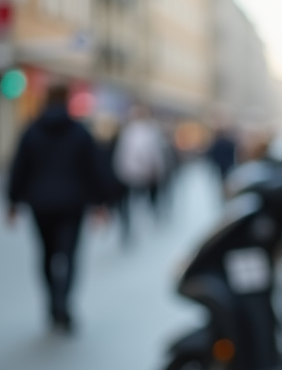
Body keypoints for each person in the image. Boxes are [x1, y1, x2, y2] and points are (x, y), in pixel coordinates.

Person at [5, 83, 106, 331]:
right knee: (69, 256)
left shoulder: (31, 131)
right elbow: (95, 169)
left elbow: (19, 168)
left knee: (47, 255)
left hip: (40, 204)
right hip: (73, 204)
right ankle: (63, 303)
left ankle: (52, 302)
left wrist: (13, 201)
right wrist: (101, 202)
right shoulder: (80, 132)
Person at [112, 104, 167, 236]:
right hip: (141, 174)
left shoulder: (130, 132)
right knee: (141, 202)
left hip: (130, 175)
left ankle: (132, 227)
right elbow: (155, 154)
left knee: (133, 204)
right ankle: (142, 224)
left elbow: (120, 156)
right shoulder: (149, 132)